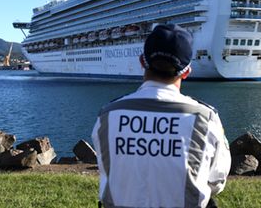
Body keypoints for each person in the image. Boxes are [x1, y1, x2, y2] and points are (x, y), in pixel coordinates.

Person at [91, 24, 231, 208]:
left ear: (142, 61)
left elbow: (108, 170)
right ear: (187, 71)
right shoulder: (205, 118)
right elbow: (217, 181)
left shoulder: (108, 115)